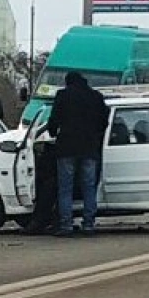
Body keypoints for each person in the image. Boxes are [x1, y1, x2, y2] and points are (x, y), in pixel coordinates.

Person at [45, 71, 110, 237]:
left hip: (66, 147)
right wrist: (96, 135)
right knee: (89, 187)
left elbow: (53, 120)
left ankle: (66, 224)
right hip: (89, 148)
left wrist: (53, 132)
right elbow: (104, 120)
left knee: (65, 187)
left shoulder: (63, 95)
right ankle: (88, 224)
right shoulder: (96, 96)